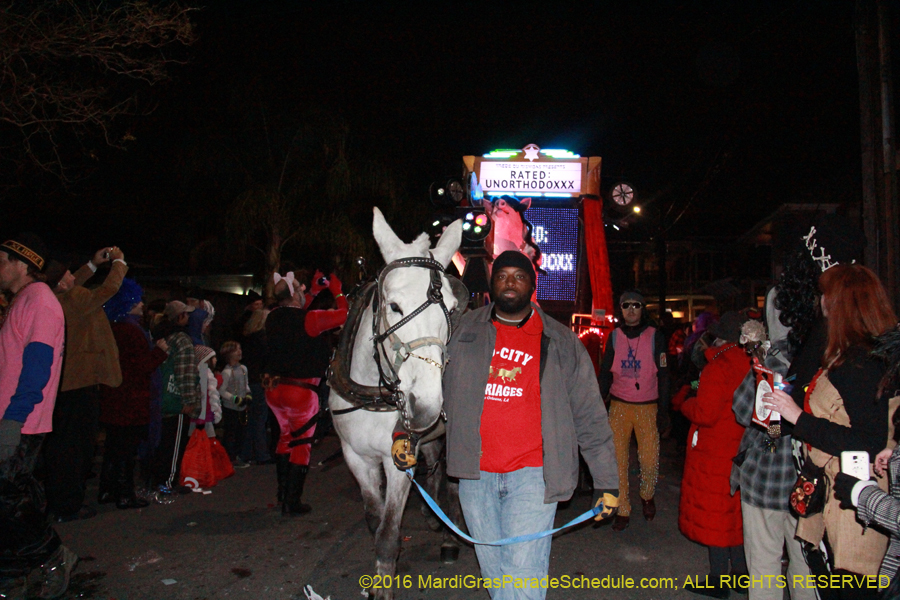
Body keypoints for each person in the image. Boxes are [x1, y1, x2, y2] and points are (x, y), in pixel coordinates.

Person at [443, 250, 618, 600]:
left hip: (535, 476)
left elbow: (590, 415)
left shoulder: (561, 341)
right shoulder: (461, 331)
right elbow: (426, 388)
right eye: (502, 275)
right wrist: (405, 431)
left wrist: (606, 481)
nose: (510, 282)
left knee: (522, 575)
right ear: (492, 285)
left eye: (519, 276)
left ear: (532, 286)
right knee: (494, 573)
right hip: (474, 475)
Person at [764, 264, 897, 599]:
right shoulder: (857, 354)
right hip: (839, 492)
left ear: (839, 303)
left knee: (850, 589)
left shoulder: (860, 362)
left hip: (855, 501)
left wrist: (796, 416)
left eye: (826, 294)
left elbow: (868, 441)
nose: (820, 301)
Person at [0, 233, 76, 597]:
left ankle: (52, 556)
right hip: (11, 416)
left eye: (2, 261)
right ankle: (16, 569)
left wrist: (14, 419)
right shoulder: (24, 300)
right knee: (15, 496)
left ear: (23, 265)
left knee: (9, 497)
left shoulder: (41, 301)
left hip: (21, 420)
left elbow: (38, 365)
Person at [730, 288, 816, 600]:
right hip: (806, 480)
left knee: (764, 565)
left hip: (766, 476)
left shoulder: (771, 360)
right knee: (805, 566)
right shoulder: (819, 354)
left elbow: (742, 409)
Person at [43, 246, 126, 522]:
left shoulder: (58, 296)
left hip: (66, 384)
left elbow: (72, 284)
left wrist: (91, 264)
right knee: (76, 447)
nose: (71, 276)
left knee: (63, 446)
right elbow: (106, 290)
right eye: (67, 273)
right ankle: (68, 504)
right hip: (79, 384)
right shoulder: (75, 298)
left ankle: (59, 501)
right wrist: (118, 263)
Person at [679, 311, 752, 598]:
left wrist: (685, 403)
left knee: (715, 515)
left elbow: (705, 413)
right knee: (735, 514)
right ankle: (741, 574)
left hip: (714, 450)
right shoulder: (750, 361)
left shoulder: (718, 365)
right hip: (741, 447)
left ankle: (719, 579)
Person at [264, 271, 346, 515]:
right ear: (294, 294)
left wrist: (312, 292)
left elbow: (295, 313)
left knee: (285, 438)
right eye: (299, 289)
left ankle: (282, 492)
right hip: (301, 392)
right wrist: (338, 291)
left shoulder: (273, 317)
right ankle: (292, 502)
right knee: (302, 444)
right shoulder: (310, 320)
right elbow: (344, 315)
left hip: (275, 389)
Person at [598, 290, 669, 531]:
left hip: (647, 407)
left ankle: (647, 494)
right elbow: (606, 371)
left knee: (649, 460)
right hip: (619, 405)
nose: (631, 309)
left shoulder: (655, 336)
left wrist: (664, 411)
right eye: (626, 305)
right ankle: (623, 508)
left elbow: (664, 374)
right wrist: (599, 400)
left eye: (636, 305)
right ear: (621, 309)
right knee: (618, 460)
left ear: (642, 309)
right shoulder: (615, 337)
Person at [98, 278, 168, 509]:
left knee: (114, 448)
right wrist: (159, 352)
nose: (141, 304)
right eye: (137, 301)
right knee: (126, 450)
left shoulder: (116, 328)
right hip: (130, 400)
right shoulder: (131, 330)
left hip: (115, 398)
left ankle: (108, 490)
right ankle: (125, 494)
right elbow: (141, 366)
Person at [149, 301, 201, 494]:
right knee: (174, 443)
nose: (188, 318)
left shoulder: (159, 336)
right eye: (186, 315)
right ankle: (169, 481)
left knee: (160, 441)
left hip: (160, 397)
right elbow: (185, 372)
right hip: (176, 399)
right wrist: (189, 399)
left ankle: (156, 479)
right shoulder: (182, 339)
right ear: (179, 317)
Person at [240, 308, 271, 465]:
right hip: (259, 381)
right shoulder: (264, 339)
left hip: (247, 380)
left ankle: (246, 452)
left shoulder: (247, 338)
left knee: (250, 418)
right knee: (259, 418)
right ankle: (261, 453)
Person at [218, 341, 251, 468]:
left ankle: (236, 455)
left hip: (242, 407)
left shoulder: (243, 369)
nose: (240, 352)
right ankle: (229, 458)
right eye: (237, 350)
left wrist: (248, 394)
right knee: (230, 433)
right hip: (231, 408)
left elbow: (245, 384)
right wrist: (235, 398)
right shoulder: (227, 372)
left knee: (241, 432)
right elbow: (222, 391)